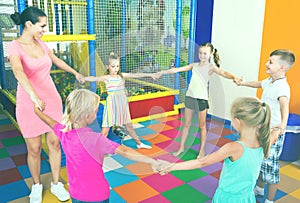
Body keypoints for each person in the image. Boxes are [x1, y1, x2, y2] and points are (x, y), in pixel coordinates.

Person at [7, 6, 84, 203]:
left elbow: (56, 60)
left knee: (54, 144)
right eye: (42, 26)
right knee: (33, 149)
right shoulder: (14, 46)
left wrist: (75, 72)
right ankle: (36, 186)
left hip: (51, 100)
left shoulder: (40, 43)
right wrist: (33, 95)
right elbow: (18, 72)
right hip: (29, 104)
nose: (44, 30)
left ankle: (57, 183)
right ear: (29, 24)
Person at [34, 89, 159, 203]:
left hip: (76, 194)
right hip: (97, 195)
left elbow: (49, 121)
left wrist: (36, 109)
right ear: (87, 117)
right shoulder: (96, 139)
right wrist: (151, 161)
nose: (97, 112)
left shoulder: (64, 133)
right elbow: (125, 151)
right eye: (95, 111)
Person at [157, 97, 272, 203]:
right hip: (247, 197)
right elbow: (275, 134)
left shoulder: (233, 148)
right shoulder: (265, 141)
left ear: (237, 122)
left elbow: (202, 162)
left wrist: (171, 166)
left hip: (227, 198)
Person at [157, 42, 239, 158]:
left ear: (210, 54)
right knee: (186, 124)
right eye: (200, 53)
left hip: (201, 99)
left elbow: (224, 73)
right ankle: (181, 148)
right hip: (190, 97)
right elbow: (176, 70)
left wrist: (234, 77)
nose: (202, 55)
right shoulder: (194, 65)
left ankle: (202, 151)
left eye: (205, 53)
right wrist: (162, 72)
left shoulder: (211, 67)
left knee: (202, 126)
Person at [235, 49, 295, 203]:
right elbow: (258, 83)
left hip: (273, 132)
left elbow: (284, 105)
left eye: (271, 62)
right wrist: (243, 83)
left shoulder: (282, 87)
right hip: (262, 128)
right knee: (260, 160)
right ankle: (260, 188)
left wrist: (282, 124)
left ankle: (270, 199)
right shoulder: (269, 81)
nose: (266, 64)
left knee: (271, 167)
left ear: (282, 68)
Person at [84, 52, 159, 149]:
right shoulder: (107, 78)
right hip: (112, 104)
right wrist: (83, 78)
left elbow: (136, 75)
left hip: (122, 104)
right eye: (113, 66)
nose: (115, 69)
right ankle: (96, 149)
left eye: (117, 66)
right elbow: (94, 78)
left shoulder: (121, 76)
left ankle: (139, 144)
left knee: (129, 126)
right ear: (107, 67)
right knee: (105, 129)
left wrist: (150, 75)